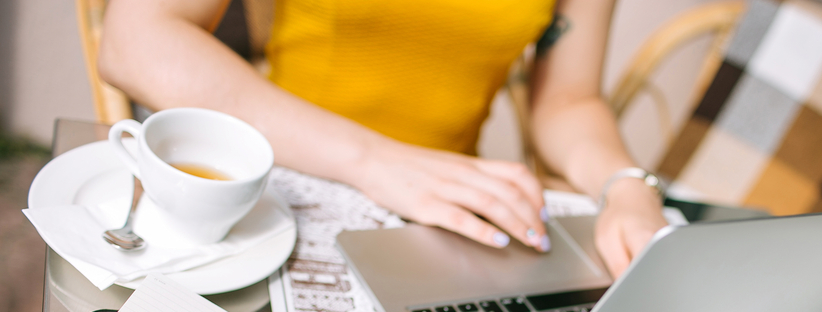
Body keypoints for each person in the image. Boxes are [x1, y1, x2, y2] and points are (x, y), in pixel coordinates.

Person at [99, 0, 668, 278]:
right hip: (288, 186)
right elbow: (136, 40)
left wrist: (627, 186)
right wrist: (375, 160)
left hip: (444, 215)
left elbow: (568, 98)